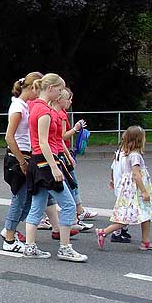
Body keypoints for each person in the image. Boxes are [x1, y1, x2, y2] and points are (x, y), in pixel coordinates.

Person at [23, 73, 87, 262]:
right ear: (50, 88)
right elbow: (44, 142)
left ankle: (30, 246)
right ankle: (65, 248)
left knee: (37, 205)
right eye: (59, 90)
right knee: (67, 205)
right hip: (45, 163)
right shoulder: (43, 111)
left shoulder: (36, 106)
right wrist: (54, 167)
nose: (61, 94)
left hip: (39, 163)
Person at [96, 126, 152, 251]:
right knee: (127, 217)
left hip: (129, 189)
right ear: (139, 140)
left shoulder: (123, 153)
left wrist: (112, 180)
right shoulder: (135, 156)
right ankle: (103, 232)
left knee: (146, 214)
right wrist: (144, 191)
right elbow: (136, 174)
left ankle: (145, 242)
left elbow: (114, 167)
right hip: (135, 191)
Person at [1, 73, 43, 252]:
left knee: (26, 200)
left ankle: (9, 229)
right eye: (39, 90)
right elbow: (9, 137)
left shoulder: (24, 105)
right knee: (19, 199)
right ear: (32, 87)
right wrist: (22, 161)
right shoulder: (18, 107)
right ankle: (9, 239)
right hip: (19, 158)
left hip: (26, 155)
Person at [57, 88, 97, 224]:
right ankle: (76, 213)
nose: (70, 101)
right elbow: (61, 136)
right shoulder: (61, 115)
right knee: (70, 183)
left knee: (71, 182)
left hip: (64, 151)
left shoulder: (62, 113)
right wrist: (75, 129)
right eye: (68, 98)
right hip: (61, 152)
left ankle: (78, 211)